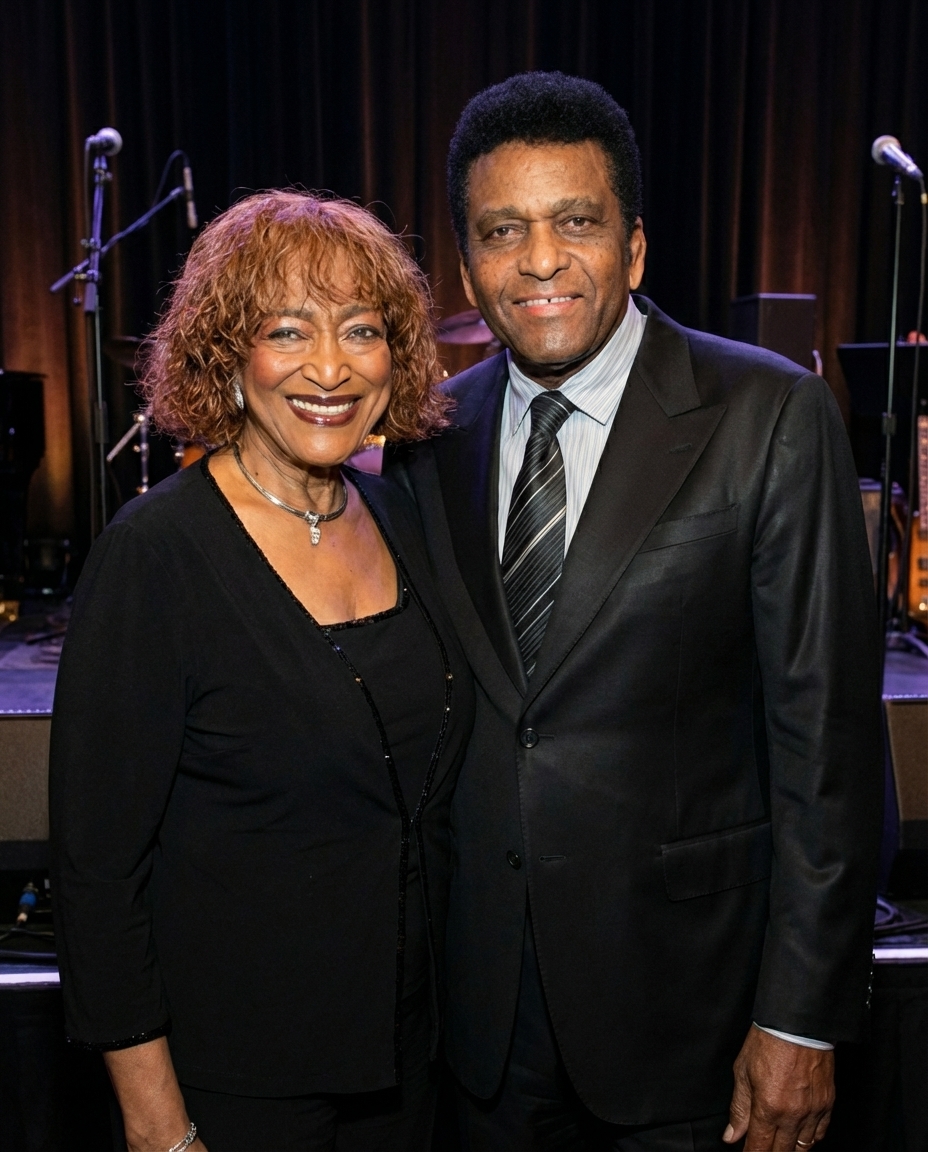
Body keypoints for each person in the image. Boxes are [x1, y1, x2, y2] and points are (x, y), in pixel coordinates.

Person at [386, 73, 883, 1151]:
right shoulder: (429, 433)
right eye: (502, 230)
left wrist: (800, 1016)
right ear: (466, 267)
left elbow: (830, 748)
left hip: (690, 1019)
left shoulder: (769, 415)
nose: (540, 260)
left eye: (576, 222)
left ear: (635, 247)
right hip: (478, 1027)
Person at [49, 190, 474, 1152]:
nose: (329, 367)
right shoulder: (156, 556)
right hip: (236, 1085)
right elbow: (97, 876)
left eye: (360, 330)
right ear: (226, 355)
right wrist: (160, 1129)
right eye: (288, 330)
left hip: (411, 1066)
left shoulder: (402, 517)